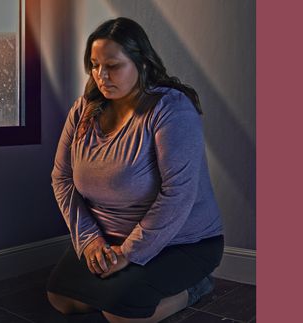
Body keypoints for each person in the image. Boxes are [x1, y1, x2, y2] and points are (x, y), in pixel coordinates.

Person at [46, 17, 224, 323]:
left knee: (121, 315)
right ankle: (122, 287)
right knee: (61, 299)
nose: (101, 75)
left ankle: (195, 288)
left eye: (113, 66)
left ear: (141, 63)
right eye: (94, 64)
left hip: (180, 241)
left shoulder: (171, 109)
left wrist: (129, 253)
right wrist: (90, 242)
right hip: (107, 238)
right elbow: (61, 178)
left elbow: (177, 193)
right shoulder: (83, 110)